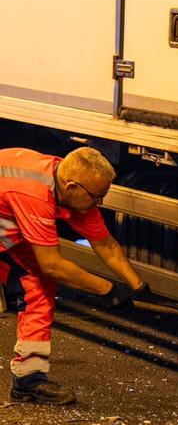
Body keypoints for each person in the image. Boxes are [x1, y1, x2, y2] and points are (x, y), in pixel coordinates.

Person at [0, 146, 147, 404]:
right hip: (9, 215)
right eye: (96, 196)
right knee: (43, 274)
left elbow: (105, 245)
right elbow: (52, 264)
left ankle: (29, 380)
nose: (99, 203)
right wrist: (107, 289)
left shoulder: (69, 187)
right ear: (71, 188)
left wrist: (137, 284)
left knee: (39, 285)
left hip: (6, 224)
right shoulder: (35, 193)